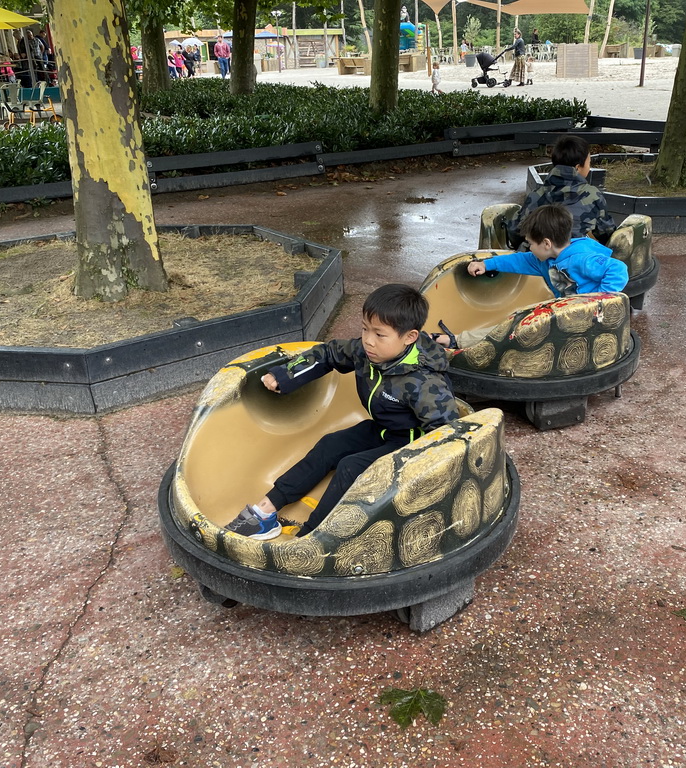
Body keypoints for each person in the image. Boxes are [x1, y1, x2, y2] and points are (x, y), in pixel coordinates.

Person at [226, 284, 459, 540]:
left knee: (351, 466)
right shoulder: (366, 352)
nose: (369, 340)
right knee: (330, 444)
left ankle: (310, 537)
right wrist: (286, 374)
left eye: (380, 335)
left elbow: (446, 435)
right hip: (384, 430)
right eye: (365, 328)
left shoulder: (424, 382)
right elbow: (329, 354)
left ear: (409, 337)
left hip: (412, 441)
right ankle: (264, 514)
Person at [432, 205, 628, 351]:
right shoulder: (544, 259)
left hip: (586, 317)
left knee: (518, 327)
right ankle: (461, 340)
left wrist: (597, 301)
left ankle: (456, 341)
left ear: (546, 243)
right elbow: (518, 261)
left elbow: (618, 269)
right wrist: (486, 264)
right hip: (565, 312)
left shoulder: (581, 258)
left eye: (530, 244)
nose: (529, 248)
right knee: (516, 321)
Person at [511, 134, 616, 245]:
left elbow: (516, 232)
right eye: (588, 163)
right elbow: (606, 232)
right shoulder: (593, 195)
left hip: (539, 257)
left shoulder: (536, 195)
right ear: (578, 167)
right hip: (576, 257)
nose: (589, 168)